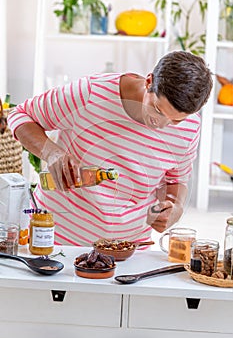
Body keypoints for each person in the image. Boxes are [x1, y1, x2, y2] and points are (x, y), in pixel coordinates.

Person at [8, 50, 213, 246]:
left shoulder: (190, 127)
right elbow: (20, 115)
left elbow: (176, 179)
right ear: (149, 82)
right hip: (58, 240)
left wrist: (174, 206)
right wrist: (51, 152)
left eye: (175, 120)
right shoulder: (91, 92)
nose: (161, 124)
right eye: (158, 110)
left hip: (129, 249)